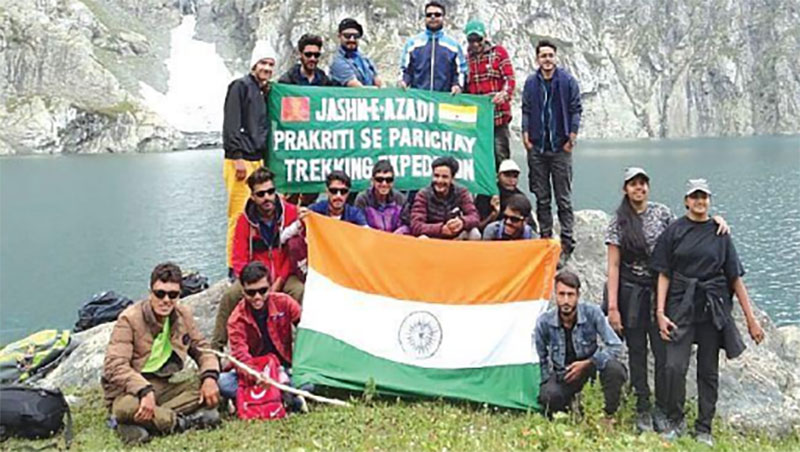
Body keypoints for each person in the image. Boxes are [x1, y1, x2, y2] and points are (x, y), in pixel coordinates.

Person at [604, 167, 730, 433]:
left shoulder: (662, 213)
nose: (639, 188)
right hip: (630, 293)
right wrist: (613, 306)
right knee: (637, 351)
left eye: (643, 183)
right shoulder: (618, 221)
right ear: (625, 189)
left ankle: (663, 407)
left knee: (663, 352)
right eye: (633, 184)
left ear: (648, 187)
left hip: (661, 292)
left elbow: (688, 230)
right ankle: (642, 407)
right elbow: (613, 265)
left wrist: (715, 221)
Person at [651, 179, 765, 446]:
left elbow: (735, 277)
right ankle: (676, 420)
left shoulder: (720, 233)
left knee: (708, 370)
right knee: (674, 366)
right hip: (680, 304)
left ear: (709, 200)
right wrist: (660, 312)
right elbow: (663, 273)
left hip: (711, 306)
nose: (700, 201)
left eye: (704, 197)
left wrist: (751, 320)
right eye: (695, 196)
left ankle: (704, 428)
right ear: (686, 201)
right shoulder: (675, 231)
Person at [102, 263, 221, 445]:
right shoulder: (129, 319)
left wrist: (210, 377)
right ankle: (182, 422)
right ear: (150, 293)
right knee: (125, 408)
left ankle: (138, 422)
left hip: (162, 385)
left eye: (173, 295)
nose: (166, 300)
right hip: (129, 390)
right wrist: (144, 390)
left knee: (211, 389)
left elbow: (203, 350)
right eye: (160, 293)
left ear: (179, 295)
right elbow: (115, 366)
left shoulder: (182, 316)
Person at [212, 167, 304, 351]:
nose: (267, 197)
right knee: (230, 296)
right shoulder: (244, 221)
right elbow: (238, 258)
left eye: (270, 191)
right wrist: (252, 283)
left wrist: (278, 282)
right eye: (261, 194)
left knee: (300, 291)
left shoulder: (291, 213)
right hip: (255, 277)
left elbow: (293, 254)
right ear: (253, 196)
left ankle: (304, 347)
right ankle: (215, 349)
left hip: (284, 275)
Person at [521, 39, 582, 268]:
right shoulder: (531, 83)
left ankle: (567, 242)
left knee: (563, 198)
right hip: (537, 148)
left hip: (560, 147)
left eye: (550, 55)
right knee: (542, 197)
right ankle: (546, 239)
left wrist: (572, 135)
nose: (547, 59)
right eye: (543, 56)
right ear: (537, 59)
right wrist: (525, 134)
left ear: (555, 57)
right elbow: (526, 109)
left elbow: (576, 108)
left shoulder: (567, 81)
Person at [534, 270, 626, 419]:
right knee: (548, 395)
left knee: (615, 370)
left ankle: (607, 415)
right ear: (555, 295)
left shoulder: (592, 313)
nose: (566, 300)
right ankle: (568, 409)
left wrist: (588, 363)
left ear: (578, 295)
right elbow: (540, 357)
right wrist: (546, 382)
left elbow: (615, 345)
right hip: (564, 375)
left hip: (591, 371)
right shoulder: (544, 321)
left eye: (570, 295)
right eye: (561, 294)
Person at [222, 41, 276, 275]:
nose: (267, 68)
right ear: (254, 64)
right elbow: (231, 123)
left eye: (271, 64)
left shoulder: (263, 91)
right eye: (263, 63)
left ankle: (251, 261)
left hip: (257, 158)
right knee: (239, 214)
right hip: (241, 160)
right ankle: (233, 267)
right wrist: (237, 157)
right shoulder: (240, 86)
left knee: (256, 211)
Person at [217, 262, 301, 403]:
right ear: (243, 291)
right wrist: (256, 375)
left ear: (270, 286)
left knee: (308, 381)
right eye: (251, 292)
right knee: (223, 383)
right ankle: (283, 393)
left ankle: (264, 394)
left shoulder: (285, 302)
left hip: (284, 366)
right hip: (255, 371)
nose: (257, 297)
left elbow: (305, 328)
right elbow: (241, 356)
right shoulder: (236, 319)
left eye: (262, 291)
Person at [279, 33, 333, 207]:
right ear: (300, 54)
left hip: (316, 148)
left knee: (312, 192)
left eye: (316, 55)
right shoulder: (287, 81)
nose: (312, 58)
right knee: (291, 195)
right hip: (294, 148)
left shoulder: (323, 80)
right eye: (308, 54)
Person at [463, 20, 515, 168]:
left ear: (485, 37)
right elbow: (464, 88)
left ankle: (502, 183)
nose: (475, 44)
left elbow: (509, 79)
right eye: (471, 40)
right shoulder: (465, 60)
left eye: (478, 39)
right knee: (479, 161)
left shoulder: (499, 53)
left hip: (498, 118)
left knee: (501, 158)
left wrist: (504, 94)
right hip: (477, 121)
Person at [399, 1, 467, 93]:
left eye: (437, 14)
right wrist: (403, 82)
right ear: (425, 18)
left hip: (444, 98)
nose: (433, 17)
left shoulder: (454, 46)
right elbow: (405, 70)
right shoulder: (412, 44)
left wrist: (457, 85)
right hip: (419, 98)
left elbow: (460, 71)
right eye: (429, 15)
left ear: (443, 18)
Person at [410, 156, 480, 240]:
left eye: (444, 177)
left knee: (474, 233)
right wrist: (441, 229)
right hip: (433, 239)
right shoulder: (423, 195)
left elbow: (474, 217)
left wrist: (462, 222)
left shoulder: (462, 192)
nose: (439, 180)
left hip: (456, 238)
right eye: (436, 176)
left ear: (452, 178)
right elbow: (416, 226)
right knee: (422, 238)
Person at [474, 159, 532, 232]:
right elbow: (478, 227)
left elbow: (530, 225)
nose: (512, 180)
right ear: (498, 176)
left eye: (515, 176)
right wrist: (494, 214)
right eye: (507, 176)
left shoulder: (521, 198)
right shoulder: (486, 195)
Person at [354, 159, 409, 233]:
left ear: (393, 182)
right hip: (370, 238)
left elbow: (407, 224)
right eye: (379, 179)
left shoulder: (400, 199)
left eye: (388, 180)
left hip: (395, 238)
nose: (384, 184)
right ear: (372, 181)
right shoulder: (363, 199)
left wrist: (400, 232)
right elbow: (359, 225)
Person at [329, 18, 382, 87]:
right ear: (339, 36)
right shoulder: (338, 62)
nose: (352, 39)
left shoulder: (365, 59)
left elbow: (378, 81)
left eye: (355, 36)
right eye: (347, 36)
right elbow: (357, 87)